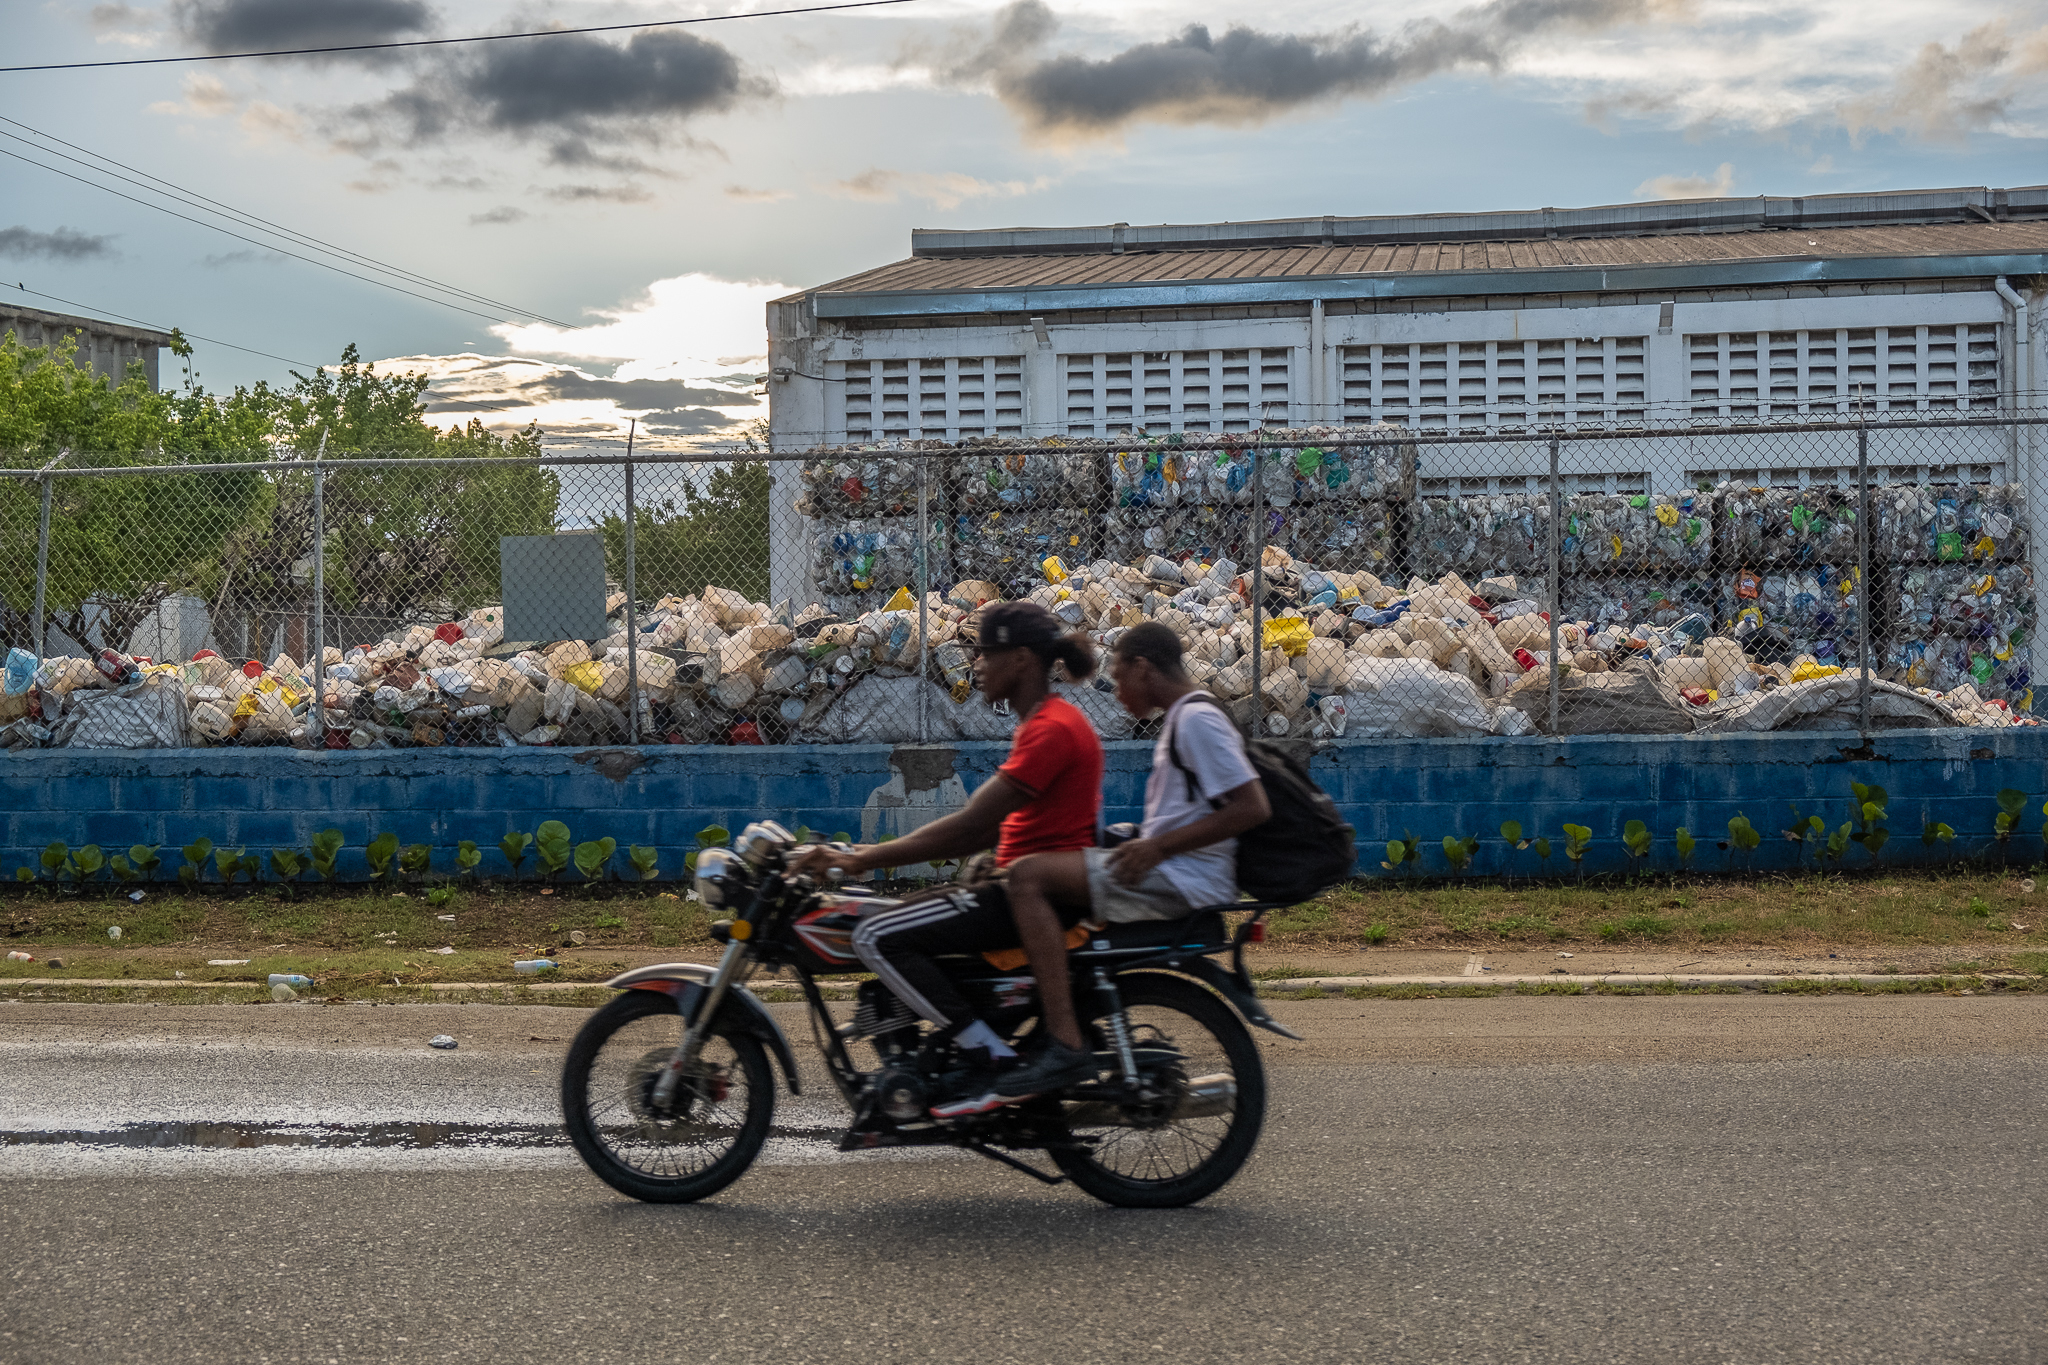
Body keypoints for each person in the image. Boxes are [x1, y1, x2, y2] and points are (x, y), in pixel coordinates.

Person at [789, 601, 1105, 1100]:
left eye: (985, 652)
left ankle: (990, 1057)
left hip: (1033, 896)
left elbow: (969, 826)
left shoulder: (1051, 729)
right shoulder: (1044, 722)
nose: (975, 663)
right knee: (900, 914)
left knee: (875, 936)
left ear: (1021, 659)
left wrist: (858, 858)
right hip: (1015, 885)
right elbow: (986, 833)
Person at [954, 621, 1271, 1112]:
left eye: (1121, 677)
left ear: (1143, 668)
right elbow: (1189, 811)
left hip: (1180, 878)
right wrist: (1135, 839)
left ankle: (1064, 1042)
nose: (1118, 693)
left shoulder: (1195, 720)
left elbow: (1251, 807)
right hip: (1173, 867)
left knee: (1028, 878)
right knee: (1041, 863)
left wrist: (1157, 848)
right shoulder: (1183, 718)